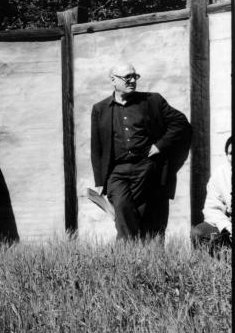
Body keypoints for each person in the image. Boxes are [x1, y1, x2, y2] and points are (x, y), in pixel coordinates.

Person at [90, 61, 192, 240]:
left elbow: (180, 122)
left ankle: (131, 254)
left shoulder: (152, 101)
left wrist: (159, 146)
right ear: (113, 80)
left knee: (143, 212)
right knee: (121, 205)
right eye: (126, 77)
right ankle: (131, 250)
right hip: (117, 171)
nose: (132, 81)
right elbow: (96, 146)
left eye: (134, 76)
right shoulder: (100, 109)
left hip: (146, 168)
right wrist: (99, 180)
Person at [191, 136, 232, 252]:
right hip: (228, 227)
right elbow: (212, 209)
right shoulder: (220, 175)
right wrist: (227, 227)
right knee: (199, 232)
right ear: (226, 155)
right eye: (231, 153)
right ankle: (221, 264)